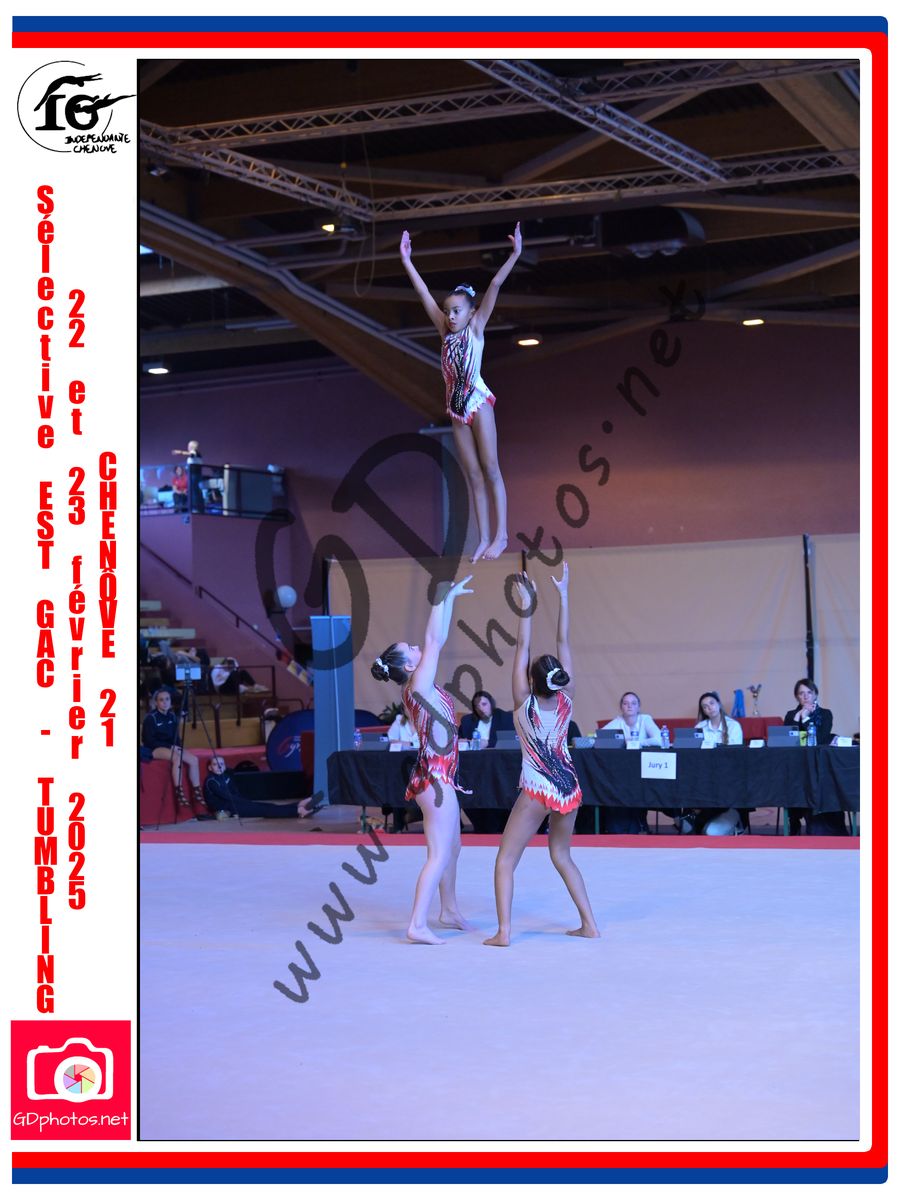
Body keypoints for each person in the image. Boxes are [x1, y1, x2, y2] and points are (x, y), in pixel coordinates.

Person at [484, 564, 599, 947]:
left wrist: (527, 604)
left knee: (505, 860)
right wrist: (563, 595)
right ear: (560, 678)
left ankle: (504, 932)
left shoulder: (523, 702)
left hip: (537, 788)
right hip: (569, 789)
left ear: (531, 680)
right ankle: (589, 924)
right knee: (562, 855)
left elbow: (523, 647)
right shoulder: (567, 700)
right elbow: (564, 640)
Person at [399, 223, 522, 562]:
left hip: (478, 402)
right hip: (456, 410)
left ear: (471, 312)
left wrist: (515, 254)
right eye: (448, 311)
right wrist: (407, 261)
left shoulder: (476, 328)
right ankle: (483, 537)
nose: (451, 317)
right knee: (472, 475)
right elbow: (423, 293)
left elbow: (494, 285)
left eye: (457, 312)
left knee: (491, 467)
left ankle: (502, 534)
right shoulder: (444, 332)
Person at [372, 576, 477, 943]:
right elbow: (434, 640)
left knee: (453, 846)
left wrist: (449, 600)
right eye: (411, 649)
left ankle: (449, 910)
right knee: (439, 853)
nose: (418, 647)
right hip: (435, 778)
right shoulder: (418, 685)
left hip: (437, 775)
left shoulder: (419, 684)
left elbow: (436, 639)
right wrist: (440, 597)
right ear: (407, 665)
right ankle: (417, 924)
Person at [673, 692, 747, 836]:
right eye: (705, 707)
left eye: (712, 704)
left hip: (726, 774)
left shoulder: (733, 726)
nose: (709, 708)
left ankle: (730, 819)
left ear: (719, 704)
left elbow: (735, 755)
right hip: (704, 773)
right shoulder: (700, 727)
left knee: (711, 830)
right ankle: (690, 816)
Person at [783, 679, 844, 835]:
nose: (806, 696)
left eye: (809, 692)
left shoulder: (825, 714)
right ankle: (794, 821)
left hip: (820, 765)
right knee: (793, 780)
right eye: (801, 693)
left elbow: (820, 739)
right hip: (798, 765)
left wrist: (805, 718)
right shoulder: (791, 715)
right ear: (796, 696)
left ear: (815, 694)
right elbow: (787, 739)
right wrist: (798, 717)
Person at [599, 692, 661, 833]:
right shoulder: (618, 721)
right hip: (623, 769)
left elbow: (658, 739)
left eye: (633, 703)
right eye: (625, 703)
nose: (629, 706)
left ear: (639, 707)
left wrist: (637, 742)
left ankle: (639, 823)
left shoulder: (645, 719)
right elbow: (600, 736)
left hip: (644, 769)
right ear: (621, 707)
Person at [141, 688, 201, 807]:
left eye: (167, 699)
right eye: (161, 700)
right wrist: (170, 747)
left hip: (171, 746)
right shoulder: (151, 718)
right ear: (156, 702)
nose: (165, 702)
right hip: (155, 748)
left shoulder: (172, 716)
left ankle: (197, 792)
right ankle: (179, 792)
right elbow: (148, 741)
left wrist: (178, 747)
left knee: (194, 760)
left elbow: (176, 737)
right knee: (176, 758)